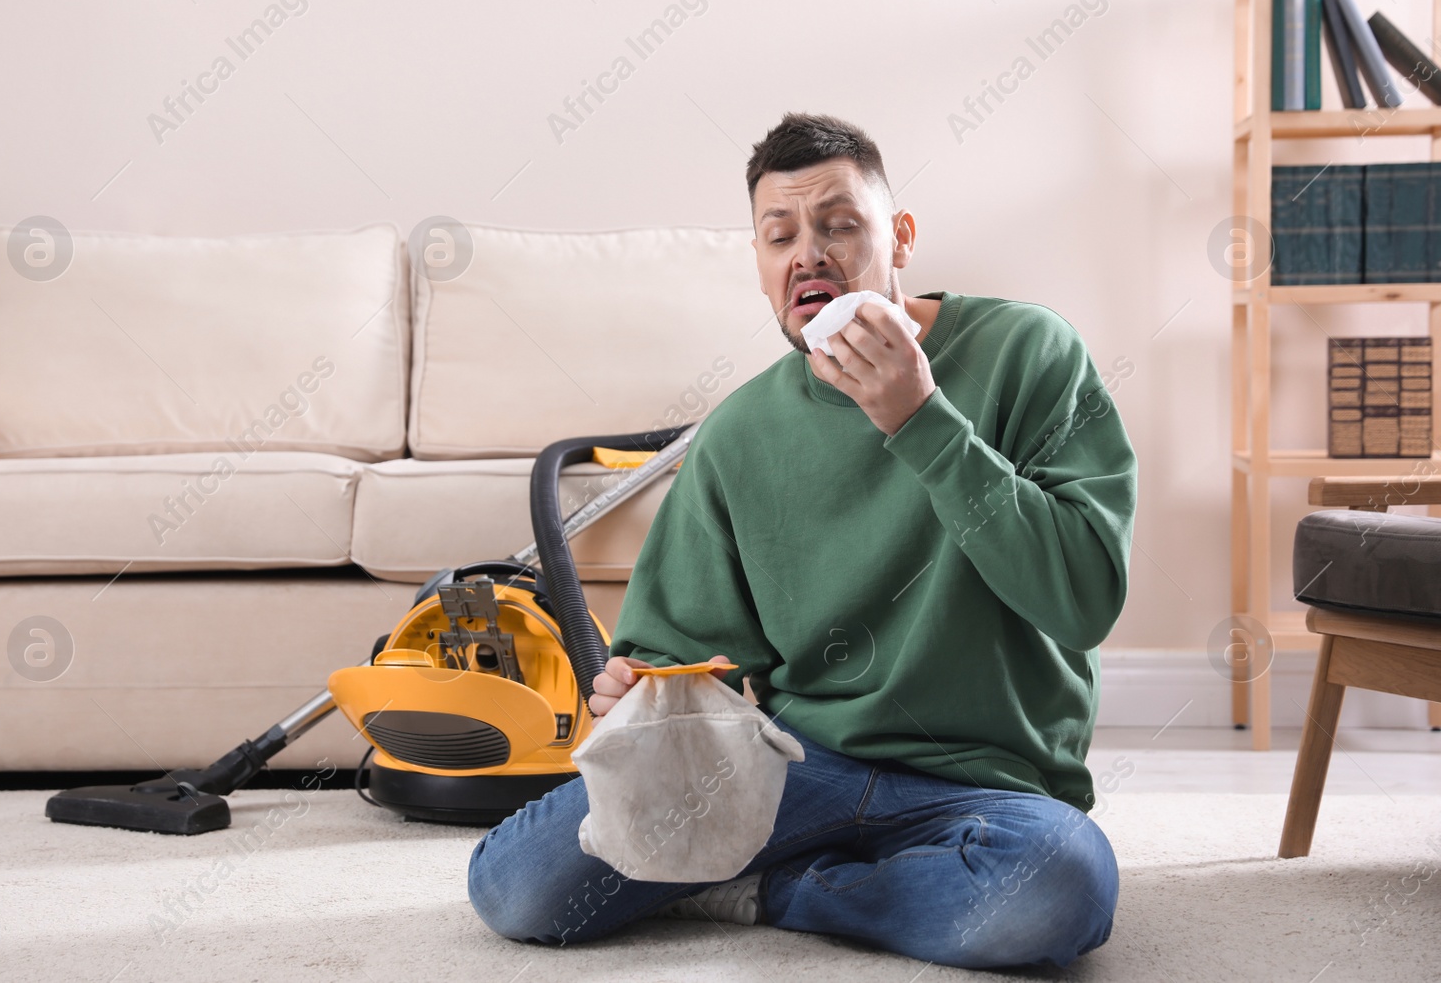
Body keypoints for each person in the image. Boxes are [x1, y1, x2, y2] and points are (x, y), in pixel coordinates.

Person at [467, 112, 1137, 970]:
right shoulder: (738, 433)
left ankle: (778, 891)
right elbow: (677, 653)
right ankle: (836, 876)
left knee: (1059, 889)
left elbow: (1083, 598)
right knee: (518, 885)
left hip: (988, 786)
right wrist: (636, 689)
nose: (806, 254)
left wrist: (922, 422)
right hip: (790, 767)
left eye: (838, 225)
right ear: (759, 265)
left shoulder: (1029, 354)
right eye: (779, 235)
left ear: (899, 238)